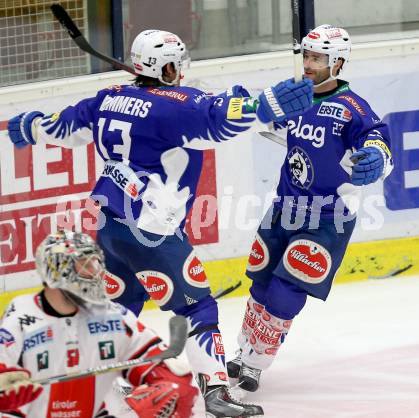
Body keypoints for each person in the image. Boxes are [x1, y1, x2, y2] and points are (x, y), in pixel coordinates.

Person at [6, 29, 313, 416]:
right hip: (151, 229)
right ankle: (216, 390)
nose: (181, 70)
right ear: (167, 66)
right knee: (197, 307)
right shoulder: (178, 104)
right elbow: (221, 121)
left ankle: (89, 381)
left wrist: (31, 124)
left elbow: (63, 126)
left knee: (119, 305)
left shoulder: (108, 98)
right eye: (176, 63)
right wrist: (263, 105)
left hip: (107, 223)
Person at [226, 24, 394, 392]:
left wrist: (377, 160)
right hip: (284, 207)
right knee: (261, 282)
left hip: (327, 218)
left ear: (338, 63)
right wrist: (240, 106)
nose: (308, 64)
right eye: (306, 55)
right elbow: (265, 122)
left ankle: (256, 363)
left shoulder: (354, 109)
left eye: (318, 58)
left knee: (286, 292)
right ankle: (244, 352)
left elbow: (379, 141)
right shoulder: (297, 99)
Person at [0, 230, 198, 417]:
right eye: (85, 265)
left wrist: (165, 385)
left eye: (95, 264)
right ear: (58, 270)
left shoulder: (112, 317)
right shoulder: (21, 318)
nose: (95, 273)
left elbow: (175, 378)